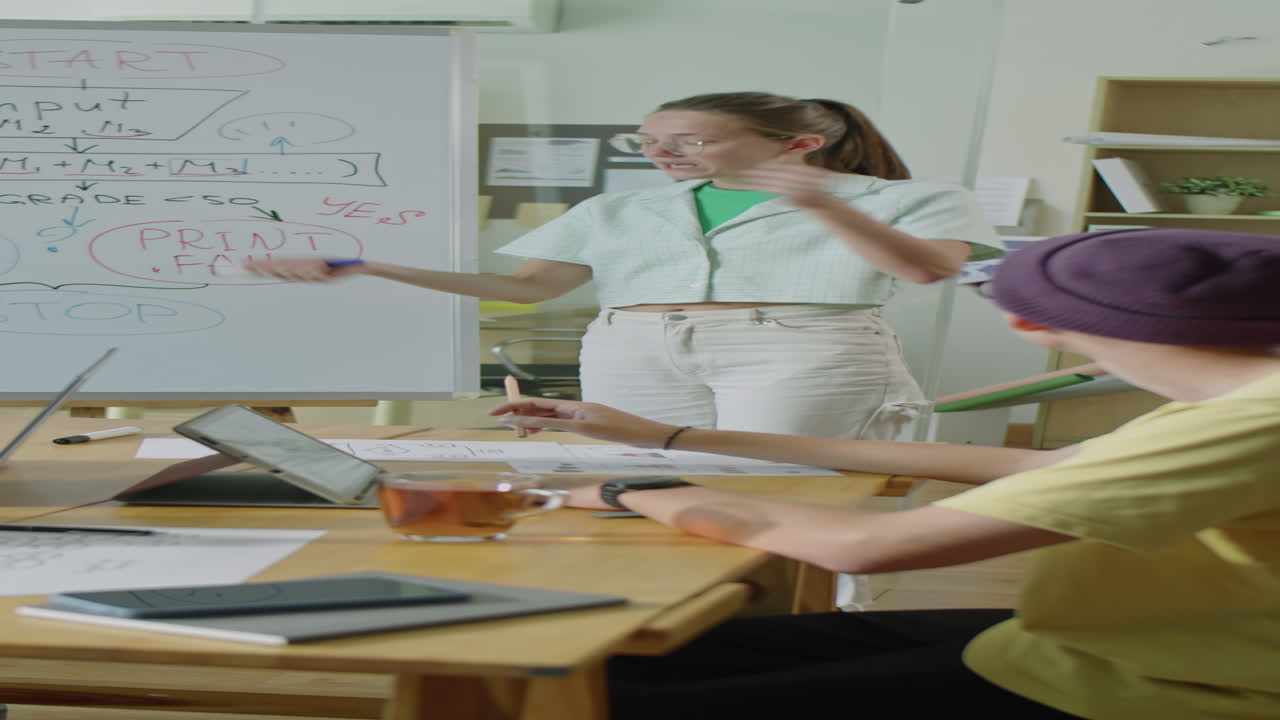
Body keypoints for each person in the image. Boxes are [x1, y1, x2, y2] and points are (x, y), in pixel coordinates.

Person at [489, 227, 1280, 719]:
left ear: (1033, 325)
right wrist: (669, 435)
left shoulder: (1253, 420)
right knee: (641, 653)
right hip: (1124, 647)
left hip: (1172, 690)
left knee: (602, 695)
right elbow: (1032, 466)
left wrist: (629, 487)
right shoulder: (1246, 398)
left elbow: (867, 548)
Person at [245, 91, 1002, 440]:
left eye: (690, 141)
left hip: (799, 347)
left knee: (780, 481)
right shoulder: (621, 209)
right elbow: (526, 290)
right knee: (640, 483)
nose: (662, 154)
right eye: (649, 141)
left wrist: (826, 208)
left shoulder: (910, 197)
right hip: (631, 347)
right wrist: (373, 267)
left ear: (797, 144)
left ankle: (816, 623)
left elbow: (926, 273)